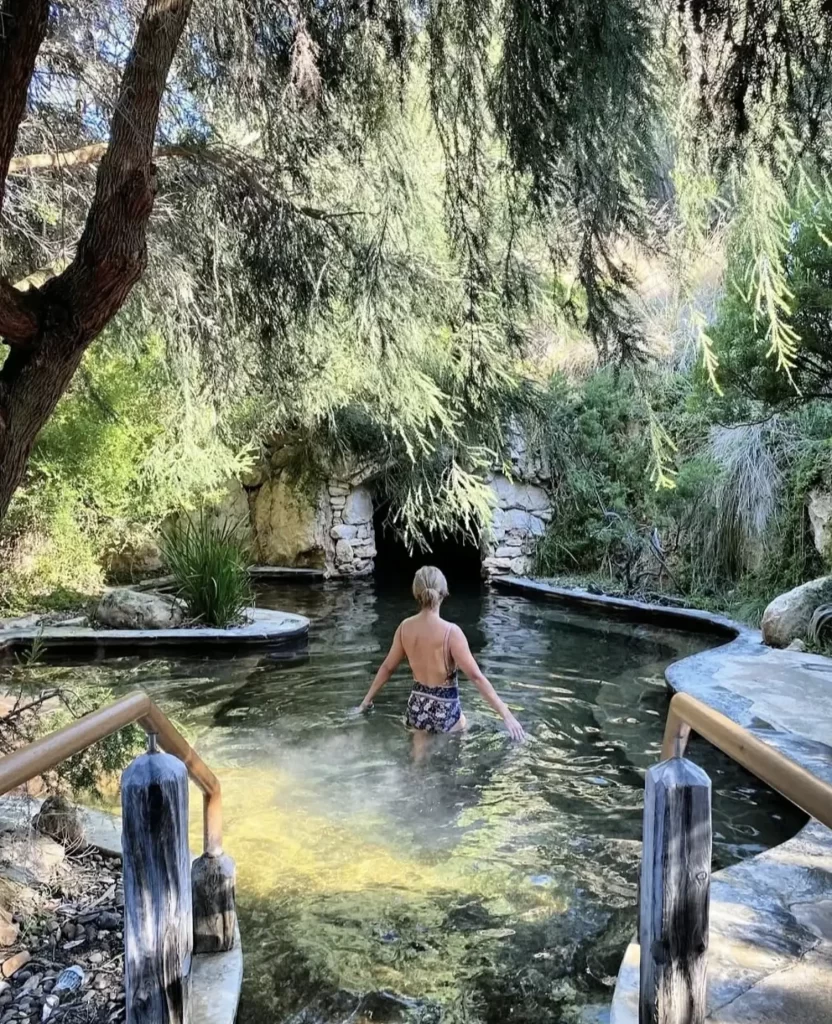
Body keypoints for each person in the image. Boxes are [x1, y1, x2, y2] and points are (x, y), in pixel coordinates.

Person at [358, 566, 525, 741]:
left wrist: (366, 702)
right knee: (457, 745)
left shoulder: (404, 628)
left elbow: (387, 668)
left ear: (416, 593)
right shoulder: (452, 632)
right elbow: (476, 677)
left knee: (417, 762)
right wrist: (507, 716)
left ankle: (415, 764)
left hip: (416, 710)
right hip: (446, 713)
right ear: (443, 593)